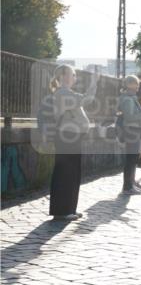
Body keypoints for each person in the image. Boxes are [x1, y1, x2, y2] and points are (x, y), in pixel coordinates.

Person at [39, 65, 92, 221]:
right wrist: (94, 83)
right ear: (62, 76)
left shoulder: (67, 93)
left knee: (73, 173)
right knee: (65, 173)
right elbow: (86, 100)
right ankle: (62, 211)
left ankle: (69, 209)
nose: (75, 77)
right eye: (72, 74)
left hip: (72, 136)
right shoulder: (62, 93)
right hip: (67, 136)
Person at [118, 75, 141, 195]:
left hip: (134, 130)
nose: (138, 88)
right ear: (130, 85)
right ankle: (127, 187)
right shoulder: (127, 99)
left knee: (132, 159)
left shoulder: (130, 98)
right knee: (131, 159)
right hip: (132, 130)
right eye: (136, 85)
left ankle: (130, 184)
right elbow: (130, 117)